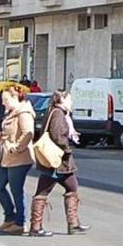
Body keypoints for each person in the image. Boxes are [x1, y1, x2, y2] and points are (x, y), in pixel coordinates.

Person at [28, 91, 90, 236]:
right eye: (69, 99)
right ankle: (36, 227)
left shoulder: (55, 112)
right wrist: (66, 148)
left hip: (58, 163)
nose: (71, 102)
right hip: (57, 162)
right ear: (61, 99)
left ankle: (73, 224)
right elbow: (57, 135)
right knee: (44, 192)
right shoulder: (58, 114)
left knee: (71, 187)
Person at [0, 86, 34, 235]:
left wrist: (16, 147)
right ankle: (9, 217)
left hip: (19, 158)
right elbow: (9, 133)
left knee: (16, 190)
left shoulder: (24, 112)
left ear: (16, 97)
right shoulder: (11, 112)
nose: (3, 103)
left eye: (5, 99)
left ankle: (20, 223)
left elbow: (28, 133)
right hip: (6, 157)